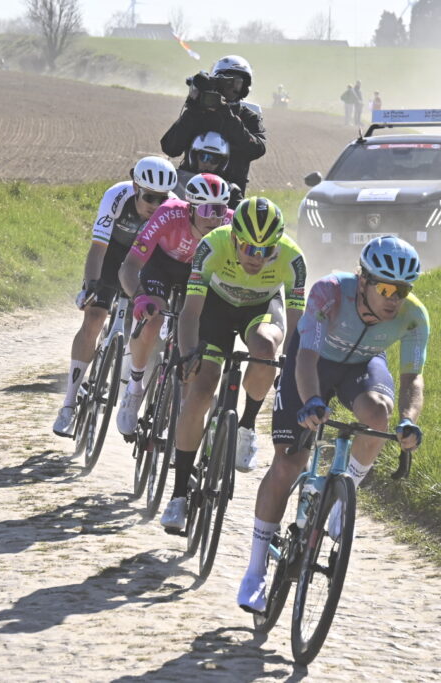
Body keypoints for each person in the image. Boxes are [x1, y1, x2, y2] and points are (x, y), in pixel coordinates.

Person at [237, 235, 428, 613]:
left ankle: (342, 500)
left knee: (377, 415)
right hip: (313, 363)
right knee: (289, 465)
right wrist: (311, 401)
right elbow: (305, 356)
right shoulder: (329, 292)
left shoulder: (414, 317)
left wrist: (409, 421)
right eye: (386, 288)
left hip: (361, 366)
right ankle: (255, 571)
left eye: (402, 290)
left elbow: (412, 380)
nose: (394, 298)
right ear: (364, 281)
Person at [159, 197, 307, 532]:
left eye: (265, 250)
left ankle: (246, 427)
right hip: (215, 309)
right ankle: (179, 494)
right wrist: (188, 354)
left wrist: (293, 366)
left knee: (267, 346)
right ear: (234, 238)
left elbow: (296, 323)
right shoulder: (212, 246)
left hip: (261, 308)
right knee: (201, 389)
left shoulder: (293, 258)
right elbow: (191, 312)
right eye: (248, 248)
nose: (256, 257)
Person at [52, 157, 179, 437]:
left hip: (146, 263)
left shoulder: (173, 209)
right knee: (94, 317)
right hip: (112, 255)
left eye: (162, 198)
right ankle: (69, 404)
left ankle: (128, 382)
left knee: (144, 324)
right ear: (135, 187)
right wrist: (91, 285)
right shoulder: (117, 196)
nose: (155, 206)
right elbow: (98, 247)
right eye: (149, 197)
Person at [115, 173, 234, 436]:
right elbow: (129, 267)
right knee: (153, 319)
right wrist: (140, 298)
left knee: (196, 339)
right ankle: (134, 388)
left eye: (220, 210)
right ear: (190, 208)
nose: (215, 218)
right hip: (163, 266)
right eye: (206, 210)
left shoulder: (231, 223)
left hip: (200, 273)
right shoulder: (168, 213)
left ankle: (183, 407)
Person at [161, 55, 266, 197]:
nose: (231, 88)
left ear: (245, 88)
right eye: (227, 82)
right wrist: (193, 107)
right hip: (188, 191)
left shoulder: (249, 117)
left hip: (228, 197)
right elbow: (170, 148)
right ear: (215, 83)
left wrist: (226, 114)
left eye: (237, 83)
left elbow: (256, 149)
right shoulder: (198, 112)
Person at [174, 132, 241, 206]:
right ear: (194, 157)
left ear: (221, 163)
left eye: (215, 159)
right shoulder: (175, 180)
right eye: (203, 157)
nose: (208, 164)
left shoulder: (230, 191)